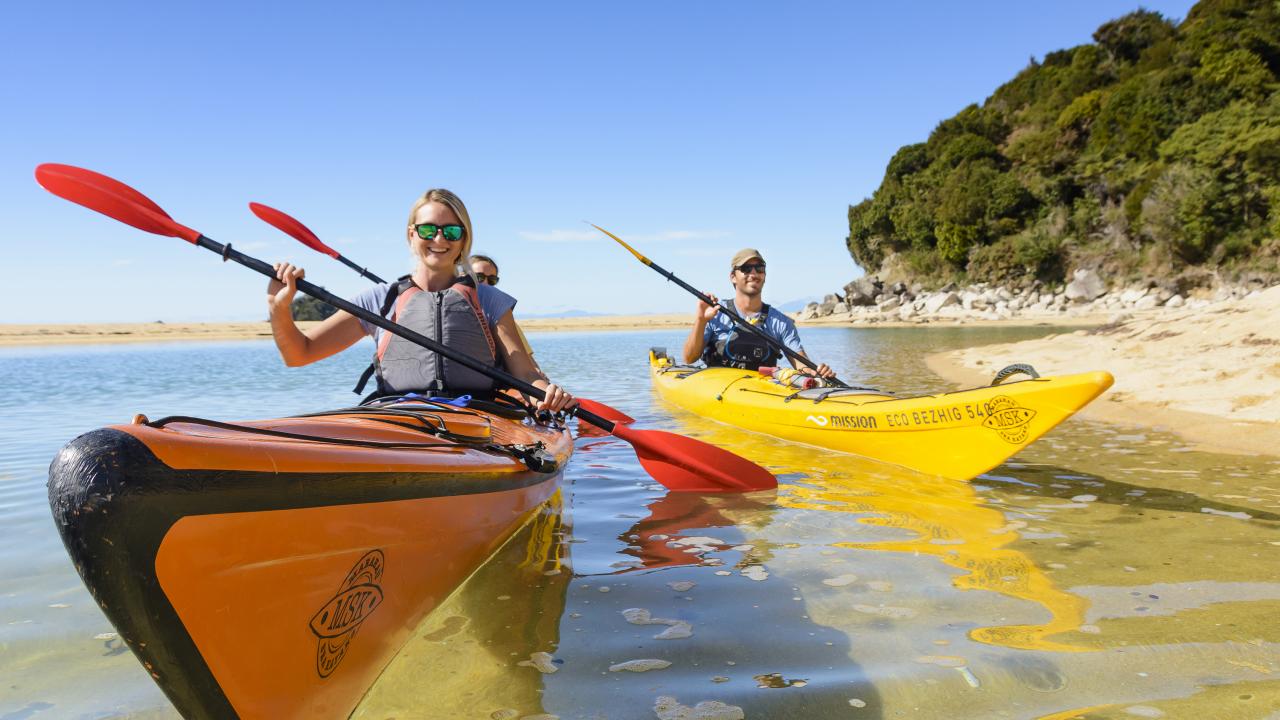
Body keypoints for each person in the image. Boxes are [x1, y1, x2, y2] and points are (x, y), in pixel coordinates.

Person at [266, 188, 574, 412]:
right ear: (411, 234)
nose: (439, 240)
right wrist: (278, 309)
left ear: (464, 239)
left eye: (451, 231)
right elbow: (299, 354)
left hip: (478, 420)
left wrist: (547, 393)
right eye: (429, 229)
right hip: (400, 417)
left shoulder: (490, 300)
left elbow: (525, 375)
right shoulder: (380, 300)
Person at [682, 248, 835, 378]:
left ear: (764, 275)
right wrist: (701, 320)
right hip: (718, 387)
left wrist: (817, 373)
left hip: (759, 392)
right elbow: (689, 358)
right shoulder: (715, 312)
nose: (754, 274)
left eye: (759, 268)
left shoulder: (781, 323)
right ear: (733, 277)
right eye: (746, 269)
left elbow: (802, 366)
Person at [469, 253, 545, 379]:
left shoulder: (503, 318)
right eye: (479, 277)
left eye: (492, 280)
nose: (486, 284)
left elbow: (530, 364)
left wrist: (537, 375)